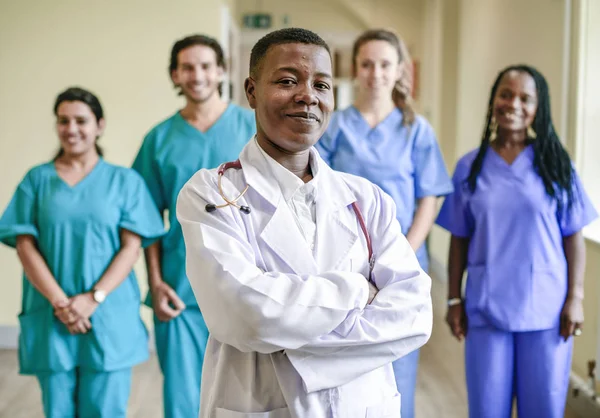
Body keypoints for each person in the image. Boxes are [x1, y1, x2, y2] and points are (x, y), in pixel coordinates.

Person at [176, 27, 432, 418]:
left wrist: (290, 333)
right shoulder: (213, 194)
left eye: (322, 84)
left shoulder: (367, 199)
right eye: (287, 81)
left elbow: (413, 315)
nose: (308, 95)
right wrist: (357, 291)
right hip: (261, 402)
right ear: (251, 91)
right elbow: (248, 316)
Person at [436, 65, 598, 418]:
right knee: (487, 409)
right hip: (487, 307)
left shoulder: (556, 165)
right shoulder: (470, 167)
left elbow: (574, 237)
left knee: (543, 408)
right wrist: (453, 298)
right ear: (493, 100)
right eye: (506, 94)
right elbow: (459, 239)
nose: (514, 104)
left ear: (539, 108)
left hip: (547, 311)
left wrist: (575, 298)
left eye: (526, 98)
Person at [0, 87, 164, 418]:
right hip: (52, 313)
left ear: (99, 125)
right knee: (57, 409)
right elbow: (24, 244)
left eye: (81, 120)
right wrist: (62, 302)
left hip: (108, 314)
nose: (71, 129)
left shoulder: (125, 181)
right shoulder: (37, 180)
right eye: (63, 120)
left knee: (104, 410)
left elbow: (132, 247)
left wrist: (94, 298)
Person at [315, 29, 453, 418]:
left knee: (399, 365)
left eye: (384, 64)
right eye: (367, 64)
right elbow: (317, 191)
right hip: (344, 262)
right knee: (345, 364)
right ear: (355, 69)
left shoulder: (416, 129)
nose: (375, 73)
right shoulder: (334, 126)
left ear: (399, 71)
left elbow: (430, 197)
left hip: (402, 261)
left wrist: (402, 253)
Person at [131, 34, 255, 418]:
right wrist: (155, 280)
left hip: (247, 280)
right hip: (179, 286)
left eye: (205, 65)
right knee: (184, 399)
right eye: (187, 67)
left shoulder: (253, 126)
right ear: (175, 75)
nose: (197, 75)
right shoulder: (159, 139)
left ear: (221, 70)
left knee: (249, 397)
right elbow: (146, 218)